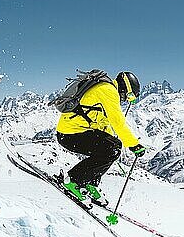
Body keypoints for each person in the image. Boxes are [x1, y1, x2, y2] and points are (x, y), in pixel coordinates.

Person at [56, 71, 146, 206]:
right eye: (130, 95)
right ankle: (73, 181)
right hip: (70, 134)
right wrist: (134, 145)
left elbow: (104, 124)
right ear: (125, 87)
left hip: (71, 133)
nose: (127, 99)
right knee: (112, 148)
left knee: (112, 148)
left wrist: (113, 144)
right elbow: (118, 122)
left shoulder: (104, 90)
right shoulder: (108, 90)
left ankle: (89, 184)